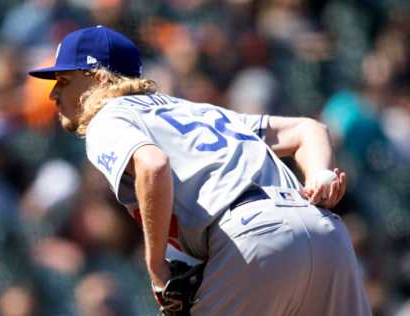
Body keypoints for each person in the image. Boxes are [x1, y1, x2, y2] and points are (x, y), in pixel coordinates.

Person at [28, 25, 371, 316]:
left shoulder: (107, 117)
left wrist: (156, 265)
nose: (55, 92)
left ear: (96, 77)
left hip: (254, 240)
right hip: (326, 233)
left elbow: (153, 165)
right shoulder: (198, 112)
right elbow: (307, 129)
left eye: (64, 79)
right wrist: (319, 175)